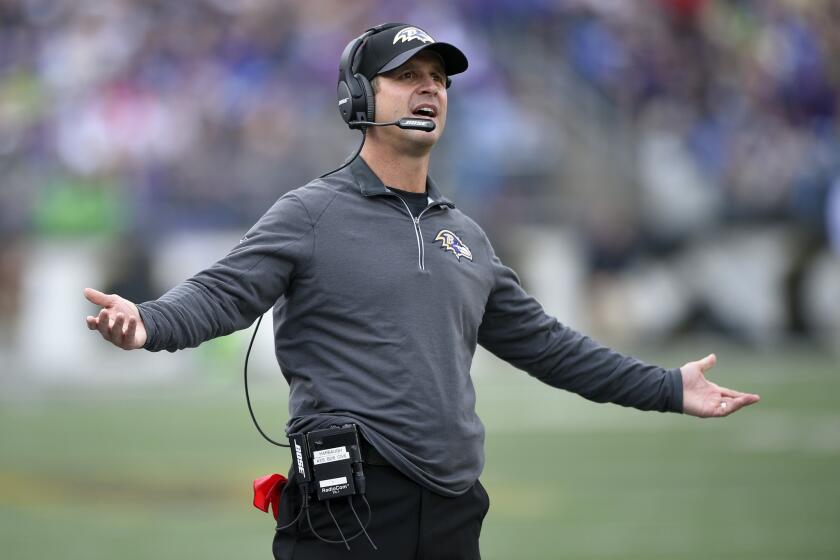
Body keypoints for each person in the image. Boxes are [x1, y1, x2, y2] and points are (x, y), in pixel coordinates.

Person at [83, 23, 760, 560]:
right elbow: (223, 292)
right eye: (405, 77)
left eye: (437, 79)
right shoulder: (310, 213)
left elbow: (552, 349)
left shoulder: (466, 236)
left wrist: (668, 387)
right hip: (348, 509)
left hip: (453, 508)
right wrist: (149, 321)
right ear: (357, 99)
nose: (428, 89)